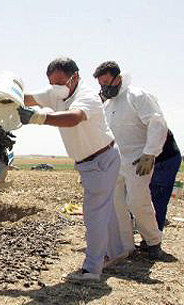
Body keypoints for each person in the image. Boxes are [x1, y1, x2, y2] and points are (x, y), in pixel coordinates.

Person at [17, 57, 126, 282]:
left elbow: (74, 118)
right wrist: (1, 95)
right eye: (51, 82)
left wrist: (40, 118)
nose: (55, 86)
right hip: (90, 162)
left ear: (75, 76)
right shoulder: (55, 93)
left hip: (101, 160)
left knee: (94, 214)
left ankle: (92, 270)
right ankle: (119, 252)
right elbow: (25, 98)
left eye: (60, 81)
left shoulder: (86, 97)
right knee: (107, 210)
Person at [93, 61, 176, 259]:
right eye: (100, 84)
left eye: (106, 82)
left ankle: (154, 242)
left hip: (138, 161)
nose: (103, 88)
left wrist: (150, 153)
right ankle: (125, 246)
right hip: (116, 161)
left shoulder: (136, 95)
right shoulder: (108, 105)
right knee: (116, 204)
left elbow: (157, 122)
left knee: (137, 202)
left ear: (118, 78)